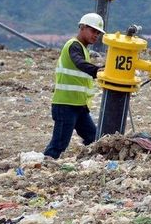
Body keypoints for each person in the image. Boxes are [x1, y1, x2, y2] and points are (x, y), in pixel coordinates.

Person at [44, 13, 105, 159]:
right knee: (59, 144)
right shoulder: (74, 45)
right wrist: (97, 70)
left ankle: (86, 162)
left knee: (93, 138)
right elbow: (79, 63)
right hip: (65, 104)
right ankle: (41, 166)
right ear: (82, 27)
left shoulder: (84, 49)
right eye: (93, 31)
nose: (95, 35)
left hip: (79, 106)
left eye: (98, 33)